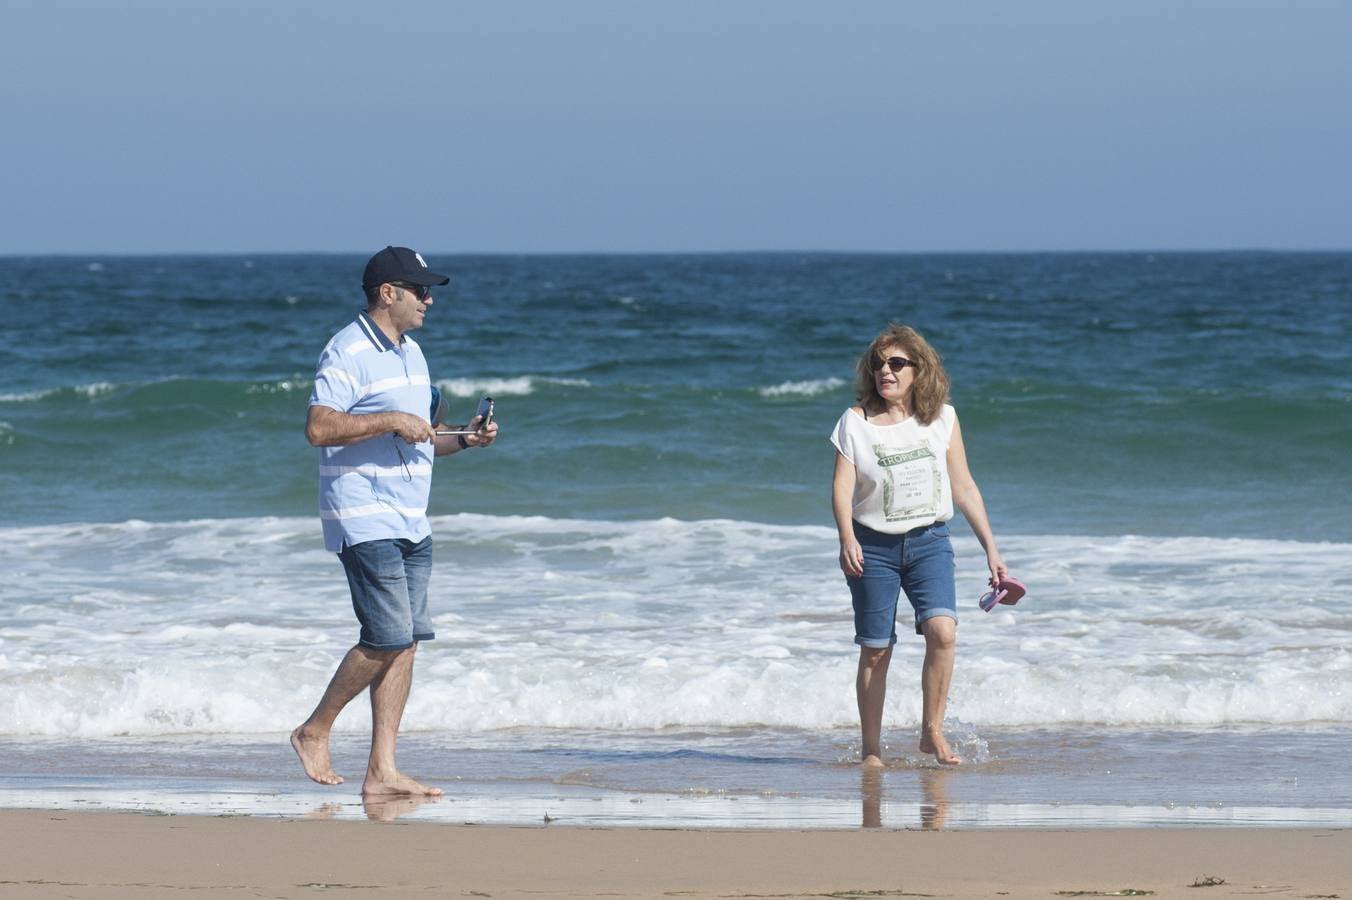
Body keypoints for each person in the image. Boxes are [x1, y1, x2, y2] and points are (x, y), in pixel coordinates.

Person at [290, 246, 498, 796]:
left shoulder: (413, 353)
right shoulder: (348, 349)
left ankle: (382, 771)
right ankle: (315, 729)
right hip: (362, 514)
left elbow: (420, 440)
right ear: (390, 293)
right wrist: (391, 419)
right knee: (385, 637)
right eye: (421, 289)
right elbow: (319, 427)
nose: (430, 299)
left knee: (406, 643)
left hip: (411, 518)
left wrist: (465, 440)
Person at [830, 323, 1005, 767]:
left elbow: (964, 485)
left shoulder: (942, 418)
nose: (884, 371)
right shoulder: (856, 422)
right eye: (877, 364)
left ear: (918, 369)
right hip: (873, 548)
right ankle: (871, 751)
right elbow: (841, 488)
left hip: (930, 542)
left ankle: (932, 733)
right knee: (876, 648)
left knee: (943, 632)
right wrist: (846, 536)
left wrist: (991, 548)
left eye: (895, 363)